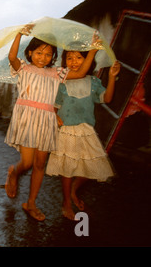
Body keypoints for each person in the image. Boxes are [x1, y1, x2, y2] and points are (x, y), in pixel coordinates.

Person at [4, 24, 101, 221]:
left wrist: (92, 50)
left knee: (40, 164)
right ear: (30, 52)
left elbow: (81, 72)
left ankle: (31, 203)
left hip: (46, 119)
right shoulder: (23, 68)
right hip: (27, 118)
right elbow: (12, 57)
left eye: (48, 54)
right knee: (28, 163)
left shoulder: (56, 73)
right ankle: (15, 171)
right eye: (39, 53)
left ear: (53, 57)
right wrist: (18, 35)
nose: (43, 57)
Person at [46, 48, 121, 220]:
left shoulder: (93, 81)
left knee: (93, 166)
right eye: (69, 58)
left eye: (79, 57)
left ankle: (73, 190)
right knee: (67, 169)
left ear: (88, 60)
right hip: (67, 131)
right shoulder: (62, 81)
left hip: (87, 131)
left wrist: (111, 77)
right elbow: (54, 105)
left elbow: (107, 98)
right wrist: (55, 116)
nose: (73, 61)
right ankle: (66, 202)